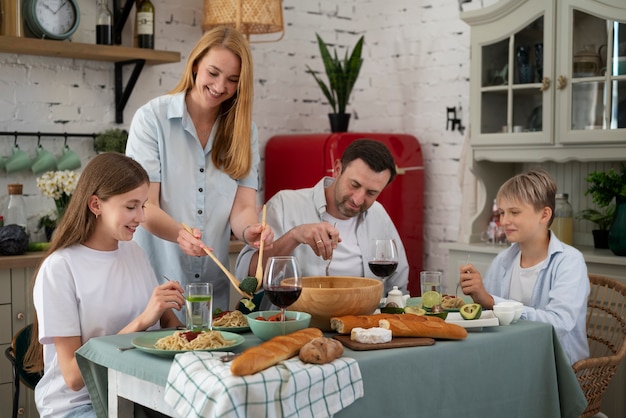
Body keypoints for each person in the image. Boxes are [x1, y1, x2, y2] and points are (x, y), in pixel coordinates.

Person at [23, 153, 185, 418]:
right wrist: (142, 321)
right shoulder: (60, 268)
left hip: (138, 390)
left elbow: (171, 325)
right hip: (78, 405)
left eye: (143, 205)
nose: (141, 217)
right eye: (131, 206)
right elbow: (74, 377)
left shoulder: (135, 253)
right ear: (96, 205)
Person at [126, 26, 273, 316]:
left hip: (211, 290)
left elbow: (243, 208)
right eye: (213, 73)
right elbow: (145, 206)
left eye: (233, 80)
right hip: (154, 286)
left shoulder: (245, 132)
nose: (220, 86)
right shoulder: (151, 120)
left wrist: (250, 231)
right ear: (195, 66)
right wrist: (180, 234)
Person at [235, 139, 409, 303]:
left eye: (371, 193)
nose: (358, 199)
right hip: (296, 325)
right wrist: (294, 236)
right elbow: (247, 280)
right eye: (354, 185)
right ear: (337, 169)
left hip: (362, 328)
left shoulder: (378, 215)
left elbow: (398, 288)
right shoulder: (284, 204)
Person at [459, 168, 589, 365]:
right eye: (502, 213)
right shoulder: (503, 261)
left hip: (556, 369)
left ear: (544, 215)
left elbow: (559, 323)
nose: (504, 221)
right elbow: (489, 317)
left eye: (514, 212)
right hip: (511, 360)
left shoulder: (569, 262)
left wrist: (492, 301)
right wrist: (477, 300)